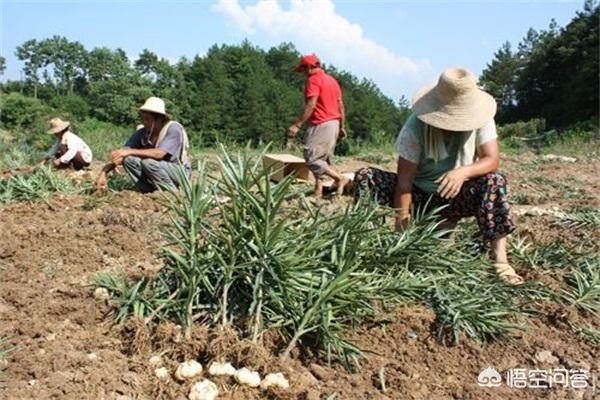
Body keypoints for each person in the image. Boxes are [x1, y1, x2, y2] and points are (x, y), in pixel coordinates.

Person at [354, 67, 523, 285]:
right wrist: (402, 232)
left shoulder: (482, 117)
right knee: (365, 176)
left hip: (456, 196)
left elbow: (492, 160)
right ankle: (360, 245)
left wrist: (463, 172)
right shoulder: (415, 126)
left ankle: (500, 262)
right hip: (420, 196)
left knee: (494, 181)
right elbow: (404, 182)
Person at [94, 97, 190, 193]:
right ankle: (149, 191)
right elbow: (122, 154)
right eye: (142, 118)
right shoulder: (143, 132)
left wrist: (128, 151)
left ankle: (171, 192)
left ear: (160, 119)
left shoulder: (173, 129)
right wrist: (104, 172)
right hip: (157, 170)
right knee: (128, 160)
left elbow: (160, 153)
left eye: (148, 119)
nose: (144, 122)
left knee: (148, 163)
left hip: (179, 172)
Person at [288, 54, 349, 197]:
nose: (302, 74)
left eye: (302, 70)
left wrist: (297, 125)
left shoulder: (313, 80)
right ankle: (318, 190)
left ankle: (340, 179)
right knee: (322, 159)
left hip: (321, 123)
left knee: (312, 158)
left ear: (308, 67)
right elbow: (341, 106)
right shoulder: (332, 80)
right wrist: (341, 127)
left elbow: (311, 104)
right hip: (334, 122)